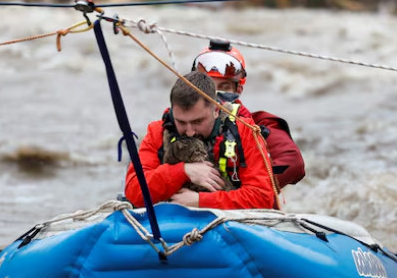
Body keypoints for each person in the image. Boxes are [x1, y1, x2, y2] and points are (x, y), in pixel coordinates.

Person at [124, 70, 277, 210]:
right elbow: (134, 192)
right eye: (181, 122)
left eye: (198, 122)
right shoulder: (157, 131)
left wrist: (200, 200)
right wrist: (182, 171)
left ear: (216, 110)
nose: (189, 132)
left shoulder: (244, 131)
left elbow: (262, 198)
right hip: (172, 222)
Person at [192, 40, 306, 188]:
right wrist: (182, 171)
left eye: (224, 86)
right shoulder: (180, 122)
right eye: (208, 86)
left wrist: (245, 190)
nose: (214, 95)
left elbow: (293, 164)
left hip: (240, 204)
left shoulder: (260, 125)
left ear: (238, 90)